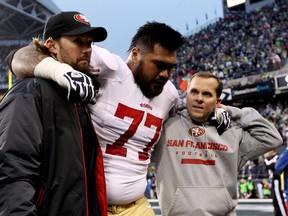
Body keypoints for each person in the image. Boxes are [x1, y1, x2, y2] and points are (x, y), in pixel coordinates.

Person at [8, 18, 185, 215]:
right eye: (159, 64)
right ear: (135, 54)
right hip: (92, 203)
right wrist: (60, 70)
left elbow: (189, 115)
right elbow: (22, 57)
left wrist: (219, 111)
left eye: (171, 68)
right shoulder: (111, 68)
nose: (165, 74)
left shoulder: (170, 94)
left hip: (137, 205)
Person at [0, 11, 108, 215]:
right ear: (51, 45)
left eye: (89, 42)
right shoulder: (30, 92)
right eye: (78, 41)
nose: (87, 49)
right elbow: (13, 172)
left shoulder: (79, 97)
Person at [152, 71, 283, 216]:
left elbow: (272, 137)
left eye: (207, 94)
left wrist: (230, 111)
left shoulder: (233, 132)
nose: (199, 98)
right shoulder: (165, 127)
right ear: (186, 95)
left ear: (217, 102)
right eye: (194, 92)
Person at [265, 150, 287, 216]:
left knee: (279, 200)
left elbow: (273, 166)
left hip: (277, 180)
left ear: (273, 151)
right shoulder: (269, 159)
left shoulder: (277, 157)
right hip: (272, 180)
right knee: (275, 200)